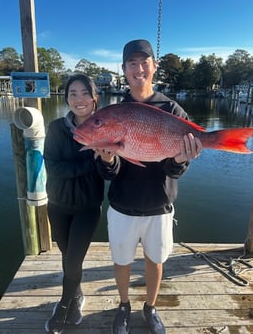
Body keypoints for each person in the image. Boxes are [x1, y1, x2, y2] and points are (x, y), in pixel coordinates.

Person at [95, 39, 203, 334]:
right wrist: (107, 159)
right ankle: (123, 306)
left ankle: (150, 308)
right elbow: (110, 173)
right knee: (121, 260)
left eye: (145, 62)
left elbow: (174, 170)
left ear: (154, 66)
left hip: (159, 204)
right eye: (132, 63)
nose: (138, 68)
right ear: (124, 69)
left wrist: (181, 158)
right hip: (122, 205)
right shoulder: (114, 112)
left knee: (155, 260)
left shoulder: (173, 110)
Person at [43, 74, 104, 334]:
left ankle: (66, 303)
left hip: (87, 208)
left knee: (73, 260)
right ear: (66, 98)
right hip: (57, 205)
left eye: (84, 93)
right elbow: (53, 167)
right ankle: (76, 293)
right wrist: (91, 161)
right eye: (72, 93)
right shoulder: (56, 128)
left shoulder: (106, 127)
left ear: (94, 98)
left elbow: (109, 169)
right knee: (67, 257)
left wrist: (105, 161)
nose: (78, 99)